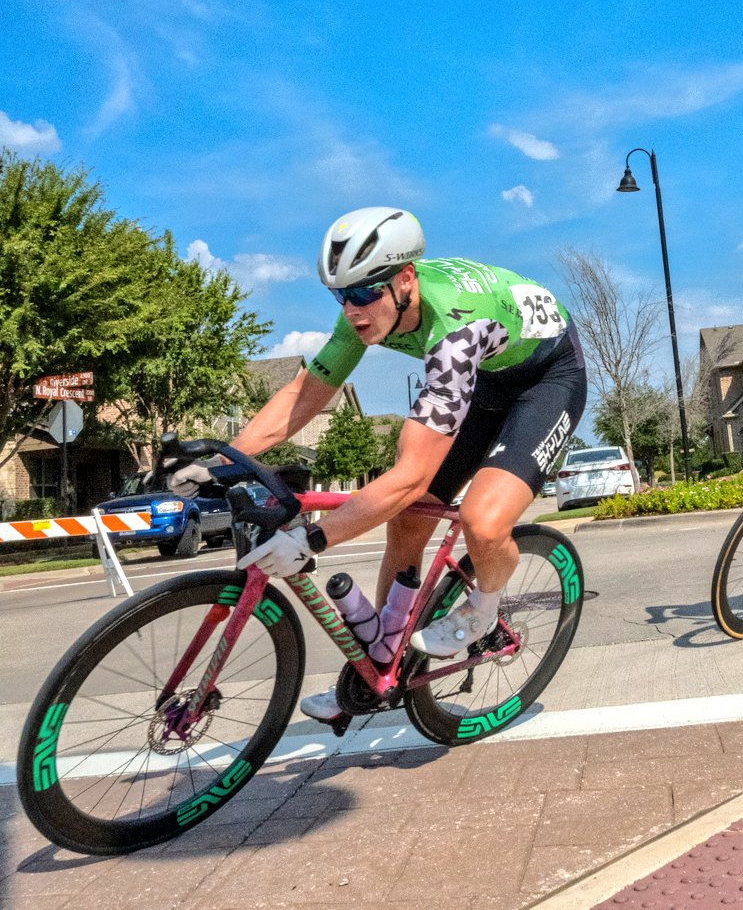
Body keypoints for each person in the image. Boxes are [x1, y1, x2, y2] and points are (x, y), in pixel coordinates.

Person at [167, 207, 587, 722]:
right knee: (407, 520)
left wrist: (312, 539)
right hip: (483, 382)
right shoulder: (363, 312)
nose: (352, 309)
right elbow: (303, 395)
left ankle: (482, 610)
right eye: (339, 295)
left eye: (364, 293)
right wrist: (220, 462)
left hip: (546, 380)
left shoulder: (456, 328)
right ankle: (381, 667)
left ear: (405, 279)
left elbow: (409, 476)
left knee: (482, 520)